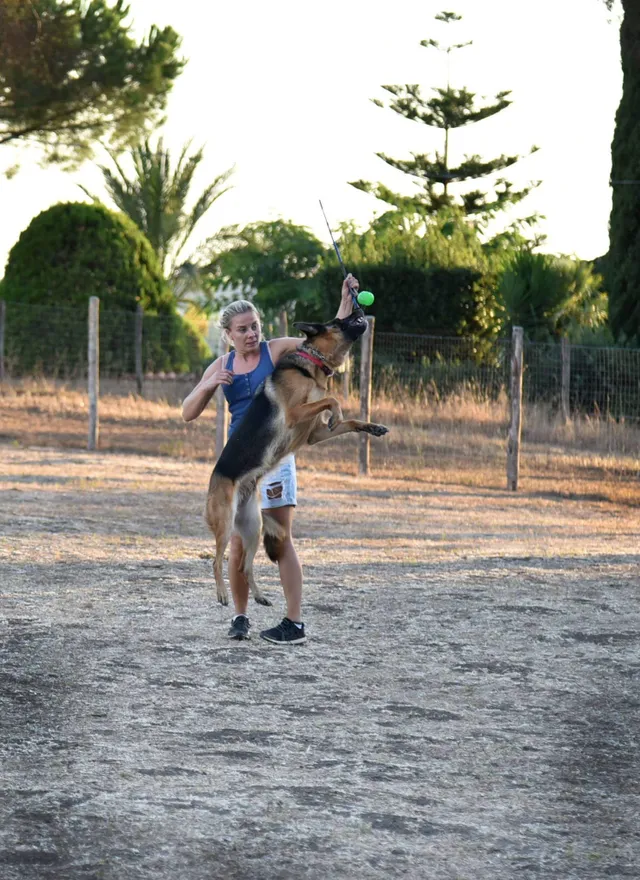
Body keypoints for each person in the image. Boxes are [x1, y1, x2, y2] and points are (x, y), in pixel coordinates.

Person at [182, 275, 359, 644]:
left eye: (255, 326)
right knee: (237, 544)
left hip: (277, 457)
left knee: (280, 541)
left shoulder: (275, 350)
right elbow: (187, 412)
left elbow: (325, 340)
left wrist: (346, 302)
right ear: (228, 334)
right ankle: (240, 617)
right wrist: (209, 384)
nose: (251, 334)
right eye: (242, 329)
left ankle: (293, 622)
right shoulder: (220, 365)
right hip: (243, 461)